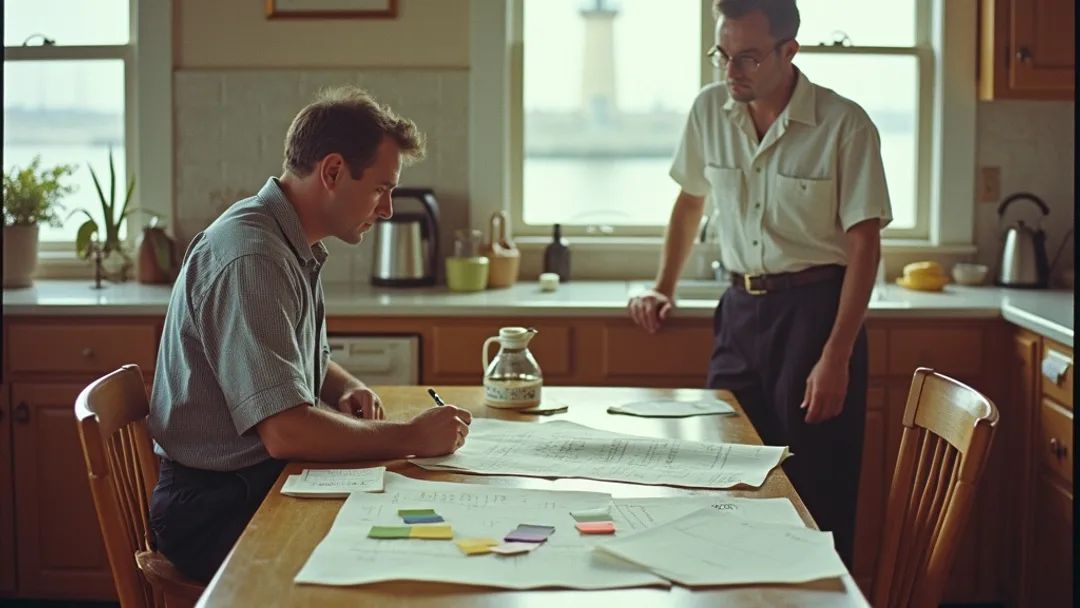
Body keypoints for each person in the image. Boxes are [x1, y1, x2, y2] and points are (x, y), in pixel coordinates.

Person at [147, 85, 473, 583]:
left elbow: (289, 358)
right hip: (217, 508)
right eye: (382, 188)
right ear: (334, 171)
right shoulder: (254, 258)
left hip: (250, 484)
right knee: (398, 557)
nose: (386, 210)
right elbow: (286, 431)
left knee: (413, 532)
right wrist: (411, 437)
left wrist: (341, 385)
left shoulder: (282, 239)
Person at [627, 0, 891, 569]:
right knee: (727, 475)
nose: (731, 70)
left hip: (817, 317)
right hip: (740, 313)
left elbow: (865, 245)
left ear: (789, 51)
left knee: (815, 489)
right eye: (722, 54)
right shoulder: (708, 111)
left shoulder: (845, 124)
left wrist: (836, 357)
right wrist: (662, 286)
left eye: (746, 57)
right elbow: (691, 201)